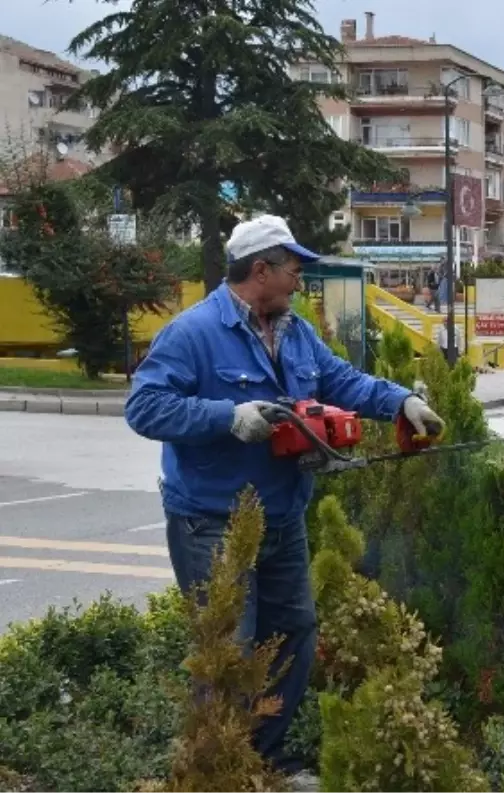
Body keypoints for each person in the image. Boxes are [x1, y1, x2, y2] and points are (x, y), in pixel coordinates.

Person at [124, 214, 444, 784]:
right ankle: (213, 768)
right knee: (230, 649)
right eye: (294, 270)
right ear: (260, 270)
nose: (300, 281)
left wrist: (401, 401)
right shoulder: (193, 333)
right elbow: (144, 408)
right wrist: (229, 416)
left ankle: (261, 758)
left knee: (293, 632)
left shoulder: (295, 332)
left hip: (282, 516)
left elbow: (343, 381)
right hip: (212, 520)